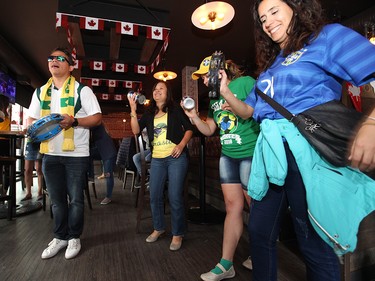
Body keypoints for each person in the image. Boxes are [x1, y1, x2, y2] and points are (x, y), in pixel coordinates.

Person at [217, 0, 375, 280]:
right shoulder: (269, 67)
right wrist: (227, 93)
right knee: (259, 231)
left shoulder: (326, 38)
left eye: (274, 11)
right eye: (263, 18)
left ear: (297, 8)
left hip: (308, 154)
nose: (268, 22)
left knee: (313, 242)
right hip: (271, 158)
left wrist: (372, 124)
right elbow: (250, 111)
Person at [183, 57, 260, 281]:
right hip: (228, 156)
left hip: (250, 153)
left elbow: (251, 112)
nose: (204, 81)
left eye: (206, 76)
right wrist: (194, 117)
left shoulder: (245, 82)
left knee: (254, 206)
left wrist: (229, 95)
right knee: (232, 207)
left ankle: (260, 252)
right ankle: (226, 264)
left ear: (219, 72)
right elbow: (209, 130)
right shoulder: (213, 98)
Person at [27, 47, 102, 260]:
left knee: (76, 200)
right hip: (50, 153)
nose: (54, 61)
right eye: (51, 58)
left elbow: (97, 117)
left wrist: (75, 121)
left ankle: (74, 237)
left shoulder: (82, 90)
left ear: (70, 66)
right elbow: (31, 119)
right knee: (57, 201)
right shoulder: (40, 92)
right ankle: (60, 237)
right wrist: (31, 127)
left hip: (76, 155)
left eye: (60, 58)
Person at [128, 81, 193, 251]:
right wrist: (133, 109)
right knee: (155, 194)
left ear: (167, 93)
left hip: (175, 157)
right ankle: (159, 228)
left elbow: (189, 129)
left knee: (174, 196)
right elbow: (135, 130)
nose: (156, 91)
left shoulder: (175, 110)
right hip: (157, 158)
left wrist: (181, 145)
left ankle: (178, 233)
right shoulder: (149, 113)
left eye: (160, 89)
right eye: (155, 89)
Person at [89, 123, 117, 205]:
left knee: (108, 175)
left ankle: (108, 197)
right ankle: (90, 175)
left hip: (108, 152)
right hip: (101, 151)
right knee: (88, 154)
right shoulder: (97, 125)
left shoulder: (96, 122)